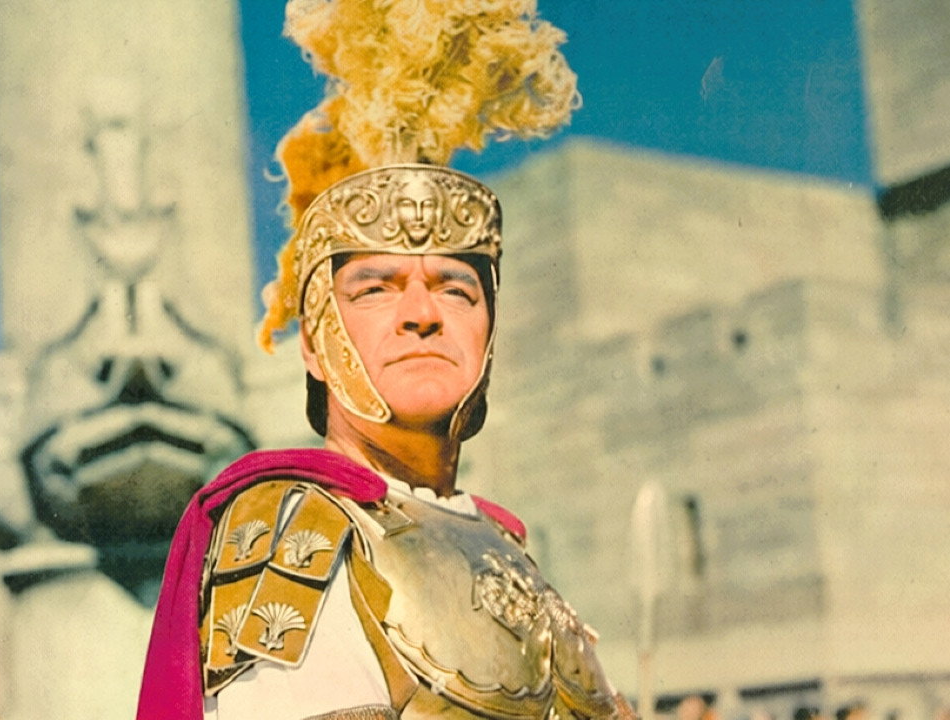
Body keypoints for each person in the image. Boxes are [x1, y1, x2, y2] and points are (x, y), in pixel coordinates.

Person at [136, 2, 631, 718]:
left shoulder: (502, 543)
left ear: (490, 330)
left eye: (456, 289)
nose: (422, 312)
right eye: (376, 288)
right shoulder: (296, 527)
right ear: (315, 343)